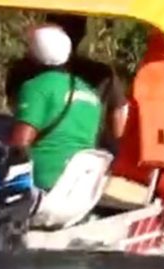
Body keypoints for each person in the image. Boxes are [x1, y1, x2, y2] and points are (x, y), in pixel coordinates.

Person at [5, 13, 127, 152]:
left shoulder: (30, 81)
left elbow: (21, 141)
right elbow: (119, 118)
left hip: (44, 159)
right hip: (89, 160)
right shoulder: (96, 80)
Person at [9, 24, 103, 191]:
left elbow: (20, 144)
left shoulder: (36, 87)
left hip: (42, 184)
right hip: (81, 188)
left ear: (34, 54)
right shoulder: (91, 94)